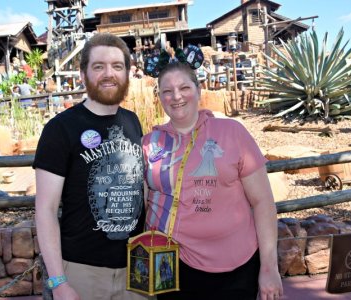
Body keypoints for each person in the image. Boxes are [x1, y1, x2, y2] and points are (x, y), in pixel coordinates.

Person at [142, 60, 283, 299]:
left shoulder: (232, 133)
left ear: (198, 90)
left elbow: (263, 202)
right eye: (167, 91)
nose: (176, 96)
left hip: (236, 267)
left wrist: (269, 267)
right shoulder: (149, 143)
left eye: (184, 88)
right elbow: (147, 201)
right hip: (173, 264)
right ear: (160, 97)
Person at [33, 33, 147, 300]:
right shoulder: (60, 129)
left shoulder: (132, 122)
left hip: (136, 266)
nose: (109, 74)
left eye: (117, 66)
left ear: (128, 73)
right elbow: (46, 210)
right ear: (83, 74)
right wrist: (58, 281)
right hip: (84, 272)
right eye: (99, 66)